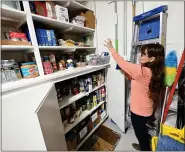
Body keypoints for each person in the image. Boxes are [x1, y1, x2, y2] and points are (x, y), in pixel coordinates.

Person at [104, 38, 165, 151]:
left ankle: (145, 148)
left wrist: (111, 48)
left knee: (140, 134)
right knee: (142, 131)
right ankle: (144, 145)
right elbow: (139, 81)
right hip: (146, 110)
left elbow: (121, 62)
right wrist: (128, 74)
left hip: (139, 112)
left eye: (143, 54)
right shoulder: (152, 70)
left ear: (151, 59)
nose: (140, 56)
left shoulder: (142, 70)